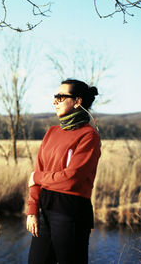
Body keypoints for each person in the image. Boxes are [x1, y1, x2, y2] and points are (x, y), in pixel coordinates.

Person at [26, 79, 101, 264]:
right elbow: (38, 172)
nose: (55, 101)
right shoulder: (51, 132)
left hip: (71, 210)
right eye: (55, 97)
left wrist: (37, 177)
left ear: (77, 101)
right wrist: (32, 210)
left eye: (60, 97)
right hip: (45, 207)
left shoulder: (89, 136)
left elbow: (71, 179)